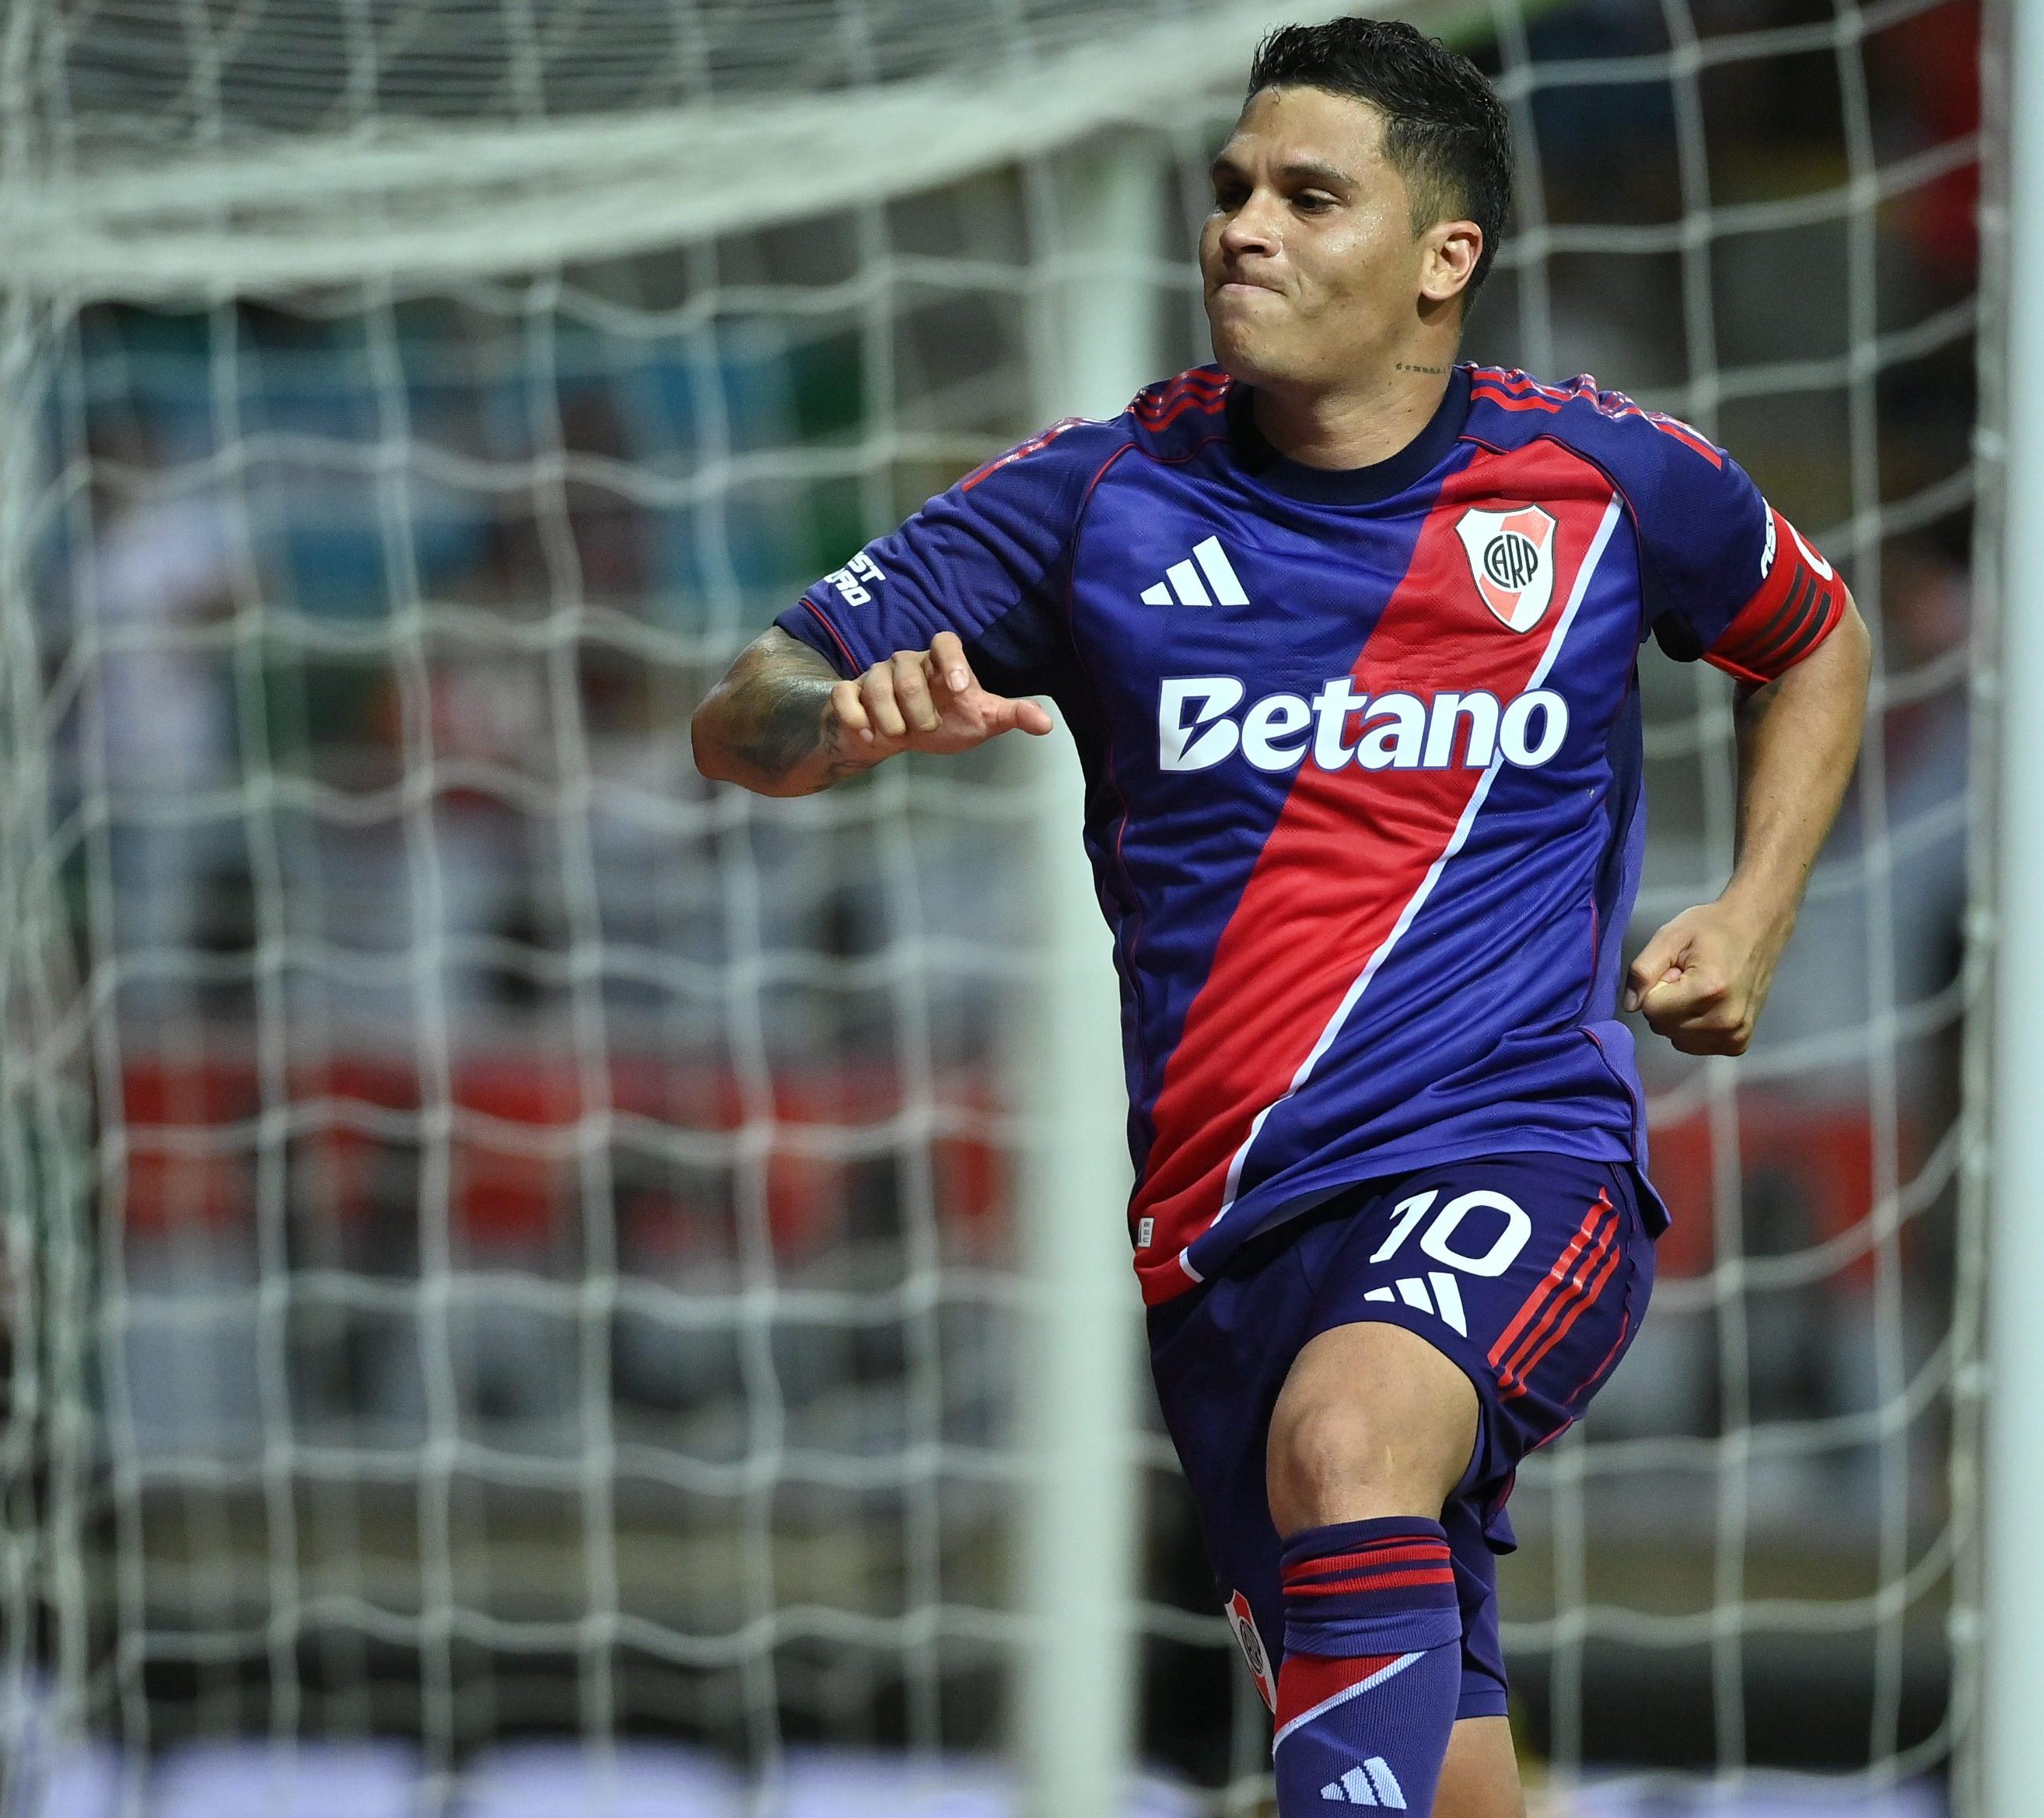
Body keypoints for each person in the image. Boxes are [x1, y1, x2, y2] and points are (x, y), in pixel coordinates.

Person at [689, 19, 1867, 1813]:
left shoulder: (1603, 481)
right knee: (1451, 1774)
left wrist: (1759, 908)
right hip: (1226, 1239)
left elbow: (1813, 635)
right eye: (1233, 187)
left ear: (1440, 261)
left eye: (1311, 196)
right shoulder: (1098, 497)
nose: (1244, 225)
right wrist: (835, 720)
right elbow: (748, 701)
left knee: (1349, 1436)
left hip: (1513, 1153)